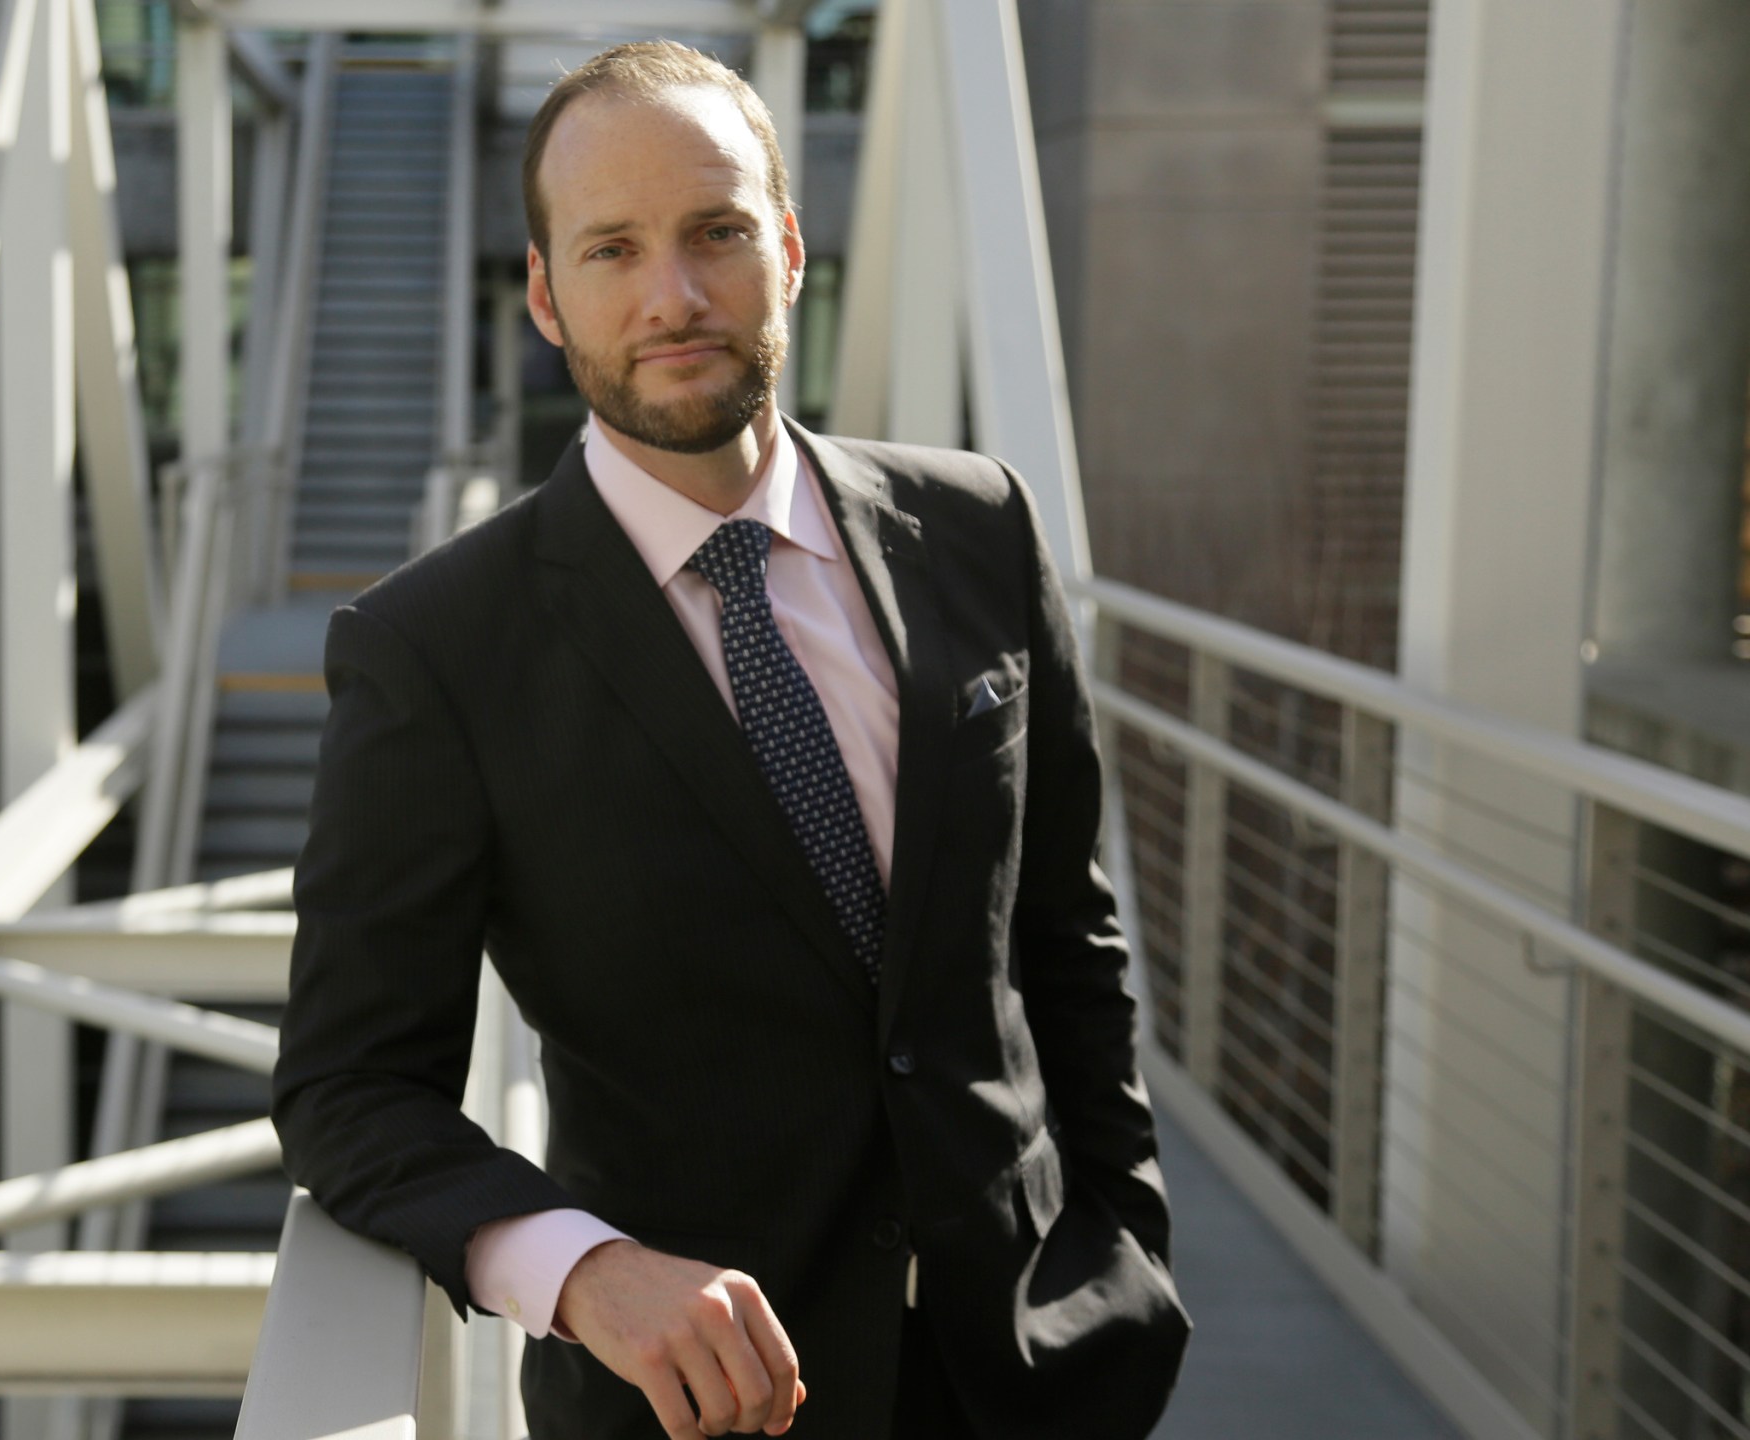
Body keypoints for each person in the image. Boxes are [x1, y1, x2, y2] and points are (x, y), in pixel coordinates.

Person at [272, 39, 1189, 1440]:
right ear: (544, 293)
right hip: (701, 1413)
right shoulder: (435, 651)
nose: (675, 298)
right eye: (614, 251)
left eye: (716, 234)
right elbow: (351, 1089)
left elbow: (1066, 938)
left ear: (793, 248)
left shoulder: (981, 529)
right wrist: (583, 1275)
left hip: (1042, 1376)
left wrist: (1125, 1260)